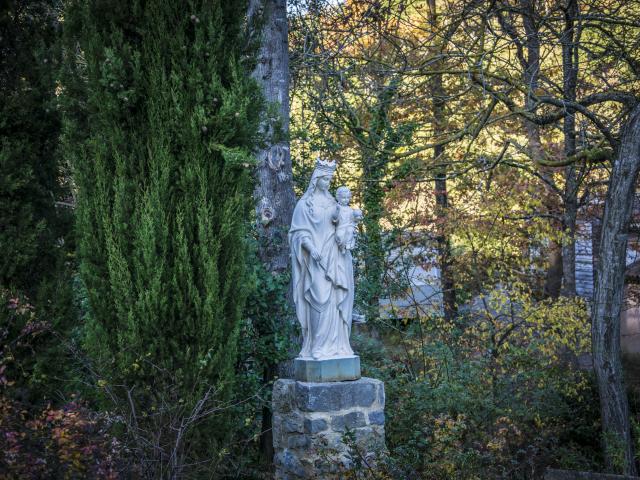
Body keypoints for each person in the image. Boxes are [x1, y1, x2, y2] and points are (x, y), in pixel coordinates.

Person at [289, 159, 355, 360]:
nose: (328, 182)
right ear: (316, 180)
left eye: (330, 179)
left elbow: (344, 224)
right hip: (316, 259)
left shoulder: (335, 203)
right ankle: (317, 346)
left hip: (336, 257)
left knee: (336, 301)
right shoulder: (304, 205)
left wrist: (348, 236)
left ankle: (339, 346)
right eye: (325, 179)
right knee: (318, 297)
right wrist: (311, 248)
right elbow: (297, 233)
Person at [333, 186, 363, 253]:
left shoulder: (350, 209)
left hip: (349, 225)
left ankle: (348, 244)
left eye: (347, 198)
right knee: (339, 235)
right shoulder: (337, 207)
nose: (346, 200)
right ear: (338, 198)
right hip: (340, 227)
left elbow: (353, 219)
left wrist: (357, 217)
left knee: (350, 231)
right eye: (343, 198)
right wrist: (337, 212)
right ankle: (342, 247)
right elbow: (334, 219)